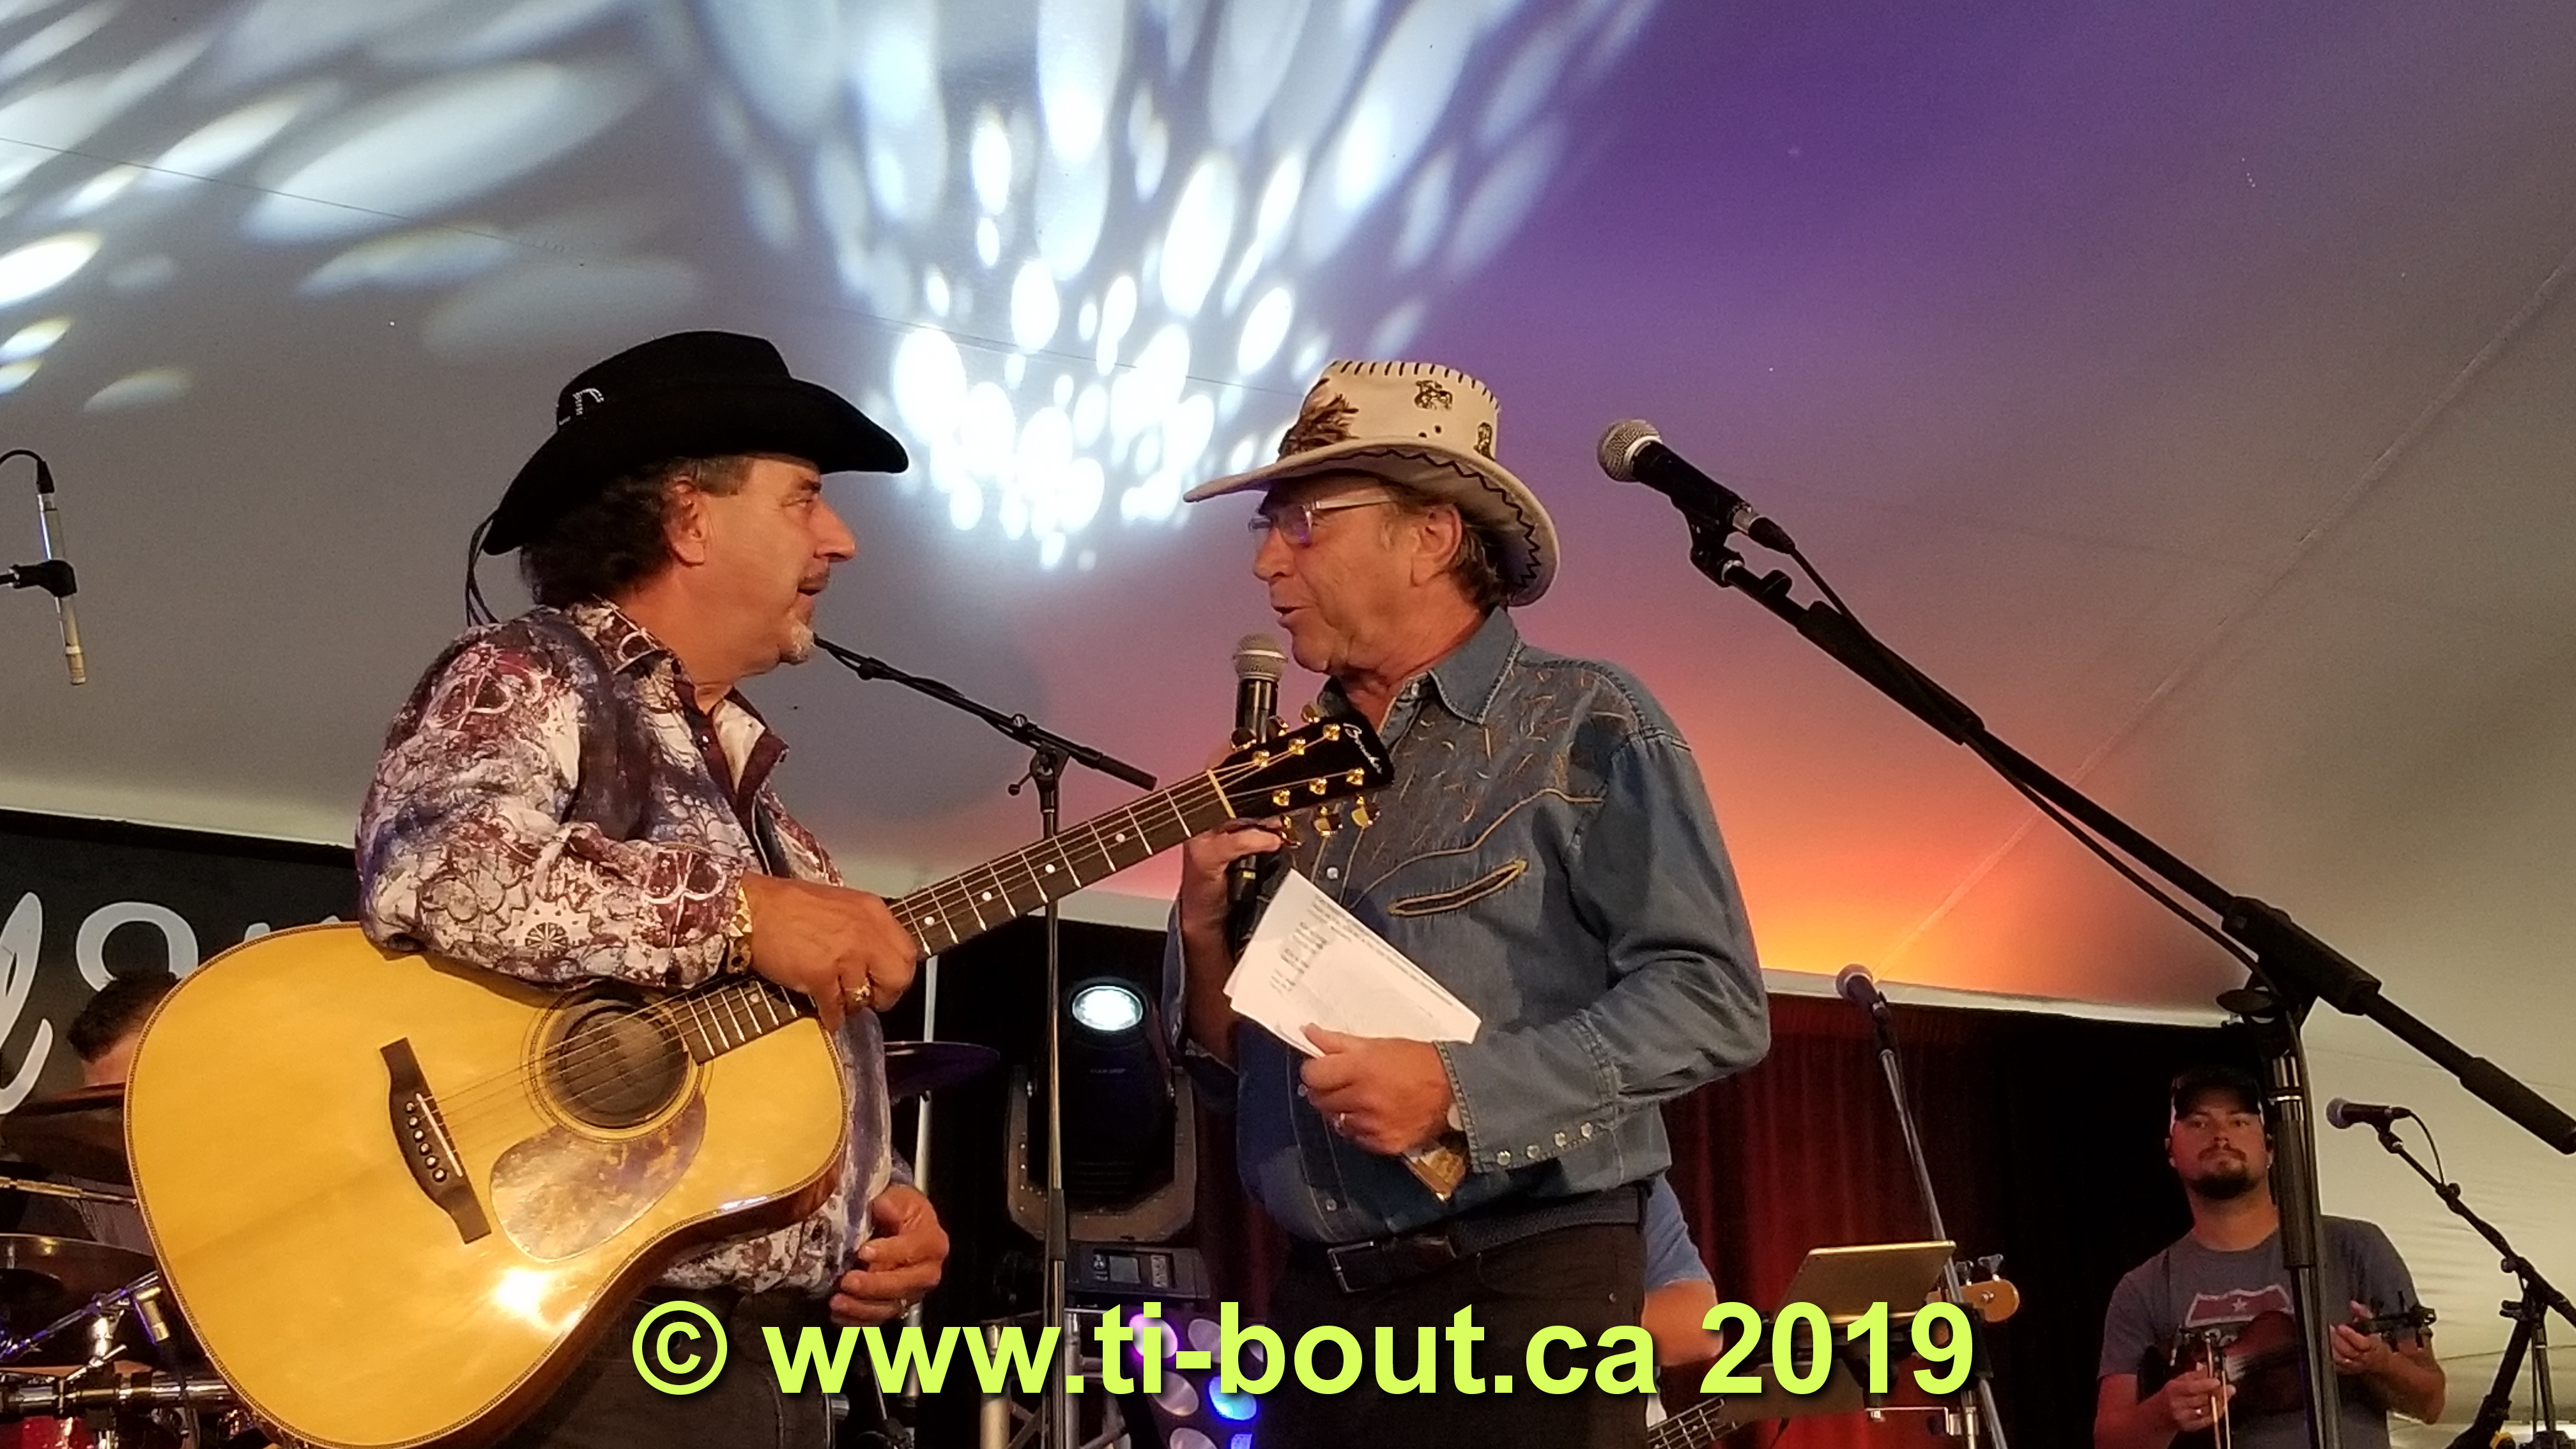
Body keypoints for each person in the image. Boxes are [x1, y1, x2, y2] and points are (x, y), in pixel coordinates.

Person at [356, 330, 946, 1449]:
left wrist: (878, 1196)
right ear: (689, 519)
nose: (841, 538)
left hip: (759, 1369)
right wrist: (740, 913)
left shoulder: (771, 823)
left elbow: (751, 1063)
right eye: (804, 497)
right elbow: (446, 865)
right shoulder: (527, 674)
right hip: (587, 1355)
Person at [1167, 360, 1770, 1448]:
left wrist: (1458, 1088)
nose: (1267, 561)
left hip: (1524, 1283)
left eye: (1302, 522)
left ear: (1431, 536)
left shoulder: (1584, 720)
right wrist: (1204, 923)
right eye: (1268, 528)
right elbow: (1223, 1071)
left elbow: (1713, 999)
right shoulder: (1283, 767)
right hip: (1320, 1310)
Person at [2094, 1064, 2444, 1449]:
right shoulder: (2143, 1287)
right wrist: (2162, 1413)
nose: (2221, 1135)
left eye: (2240, 1121)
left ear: (2272, 1147)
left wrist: (2380, 1363)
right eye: (2198, 1123)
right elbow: (2109, 1439)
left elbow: (2431, 1402)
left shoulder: (2356, 1246)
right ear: (2170, 1152)